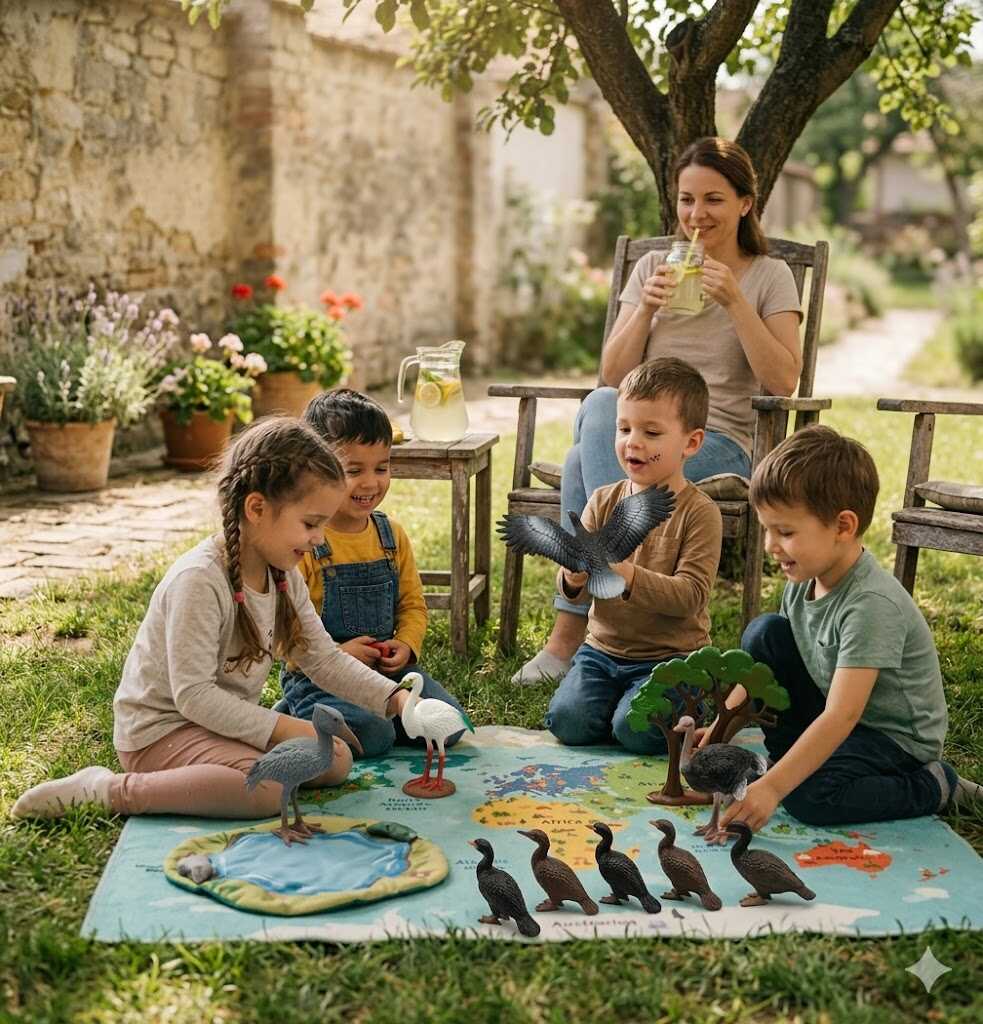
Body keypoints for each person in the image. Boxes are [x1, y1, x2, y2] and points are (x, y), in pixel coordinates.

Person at [12, 417, 412, 821]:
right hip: (160, 735)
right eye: (311, 523)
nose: (320, 539)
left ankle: (227, 765)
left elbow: (323, 659)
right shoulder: (200, 579)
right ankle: (112, 791)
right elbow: (193, 696)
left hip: (216, 725)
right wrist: (282, 728)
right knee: (265, 790)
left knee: (334, 759)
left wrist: (397, 699)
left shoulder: (282, 572)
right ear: (256, 507)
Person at [515, 136, 803, 685]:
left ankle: (572, 637)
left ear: (746, 203)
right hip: (640, 441)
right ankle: (620, 606)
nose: (698, 213)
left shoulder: (769, 275)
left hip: (714, 445)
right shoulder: (653, 266)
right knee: (600, 411)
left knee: (582, 463)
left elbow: (783, 379)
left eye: (714, 199)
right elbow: (612, 375)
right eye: (687, 199)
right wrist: (645, 306)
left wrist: (735, 302)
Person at [710, 424, 982, 831]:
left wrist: (774, 788)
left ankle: (934, 784)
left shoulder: (871, 604)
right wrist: (718, 729)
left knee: (808, 797)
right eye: (768, 529)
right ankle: (790, 765)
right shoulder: (802, 581)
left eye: (785, 532)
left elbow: (842, 716)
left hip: (892, 739)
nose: (770, 545)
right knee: (763, 633)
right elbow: (762, 673)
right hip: (834, 710)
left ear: (843, 526)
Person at [543, 357, 722, 753]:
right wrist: (572, 578)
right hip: (601, 652)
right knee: (566, 722)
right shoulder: (602, 501)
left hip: (671, 658)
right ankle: (626, 703)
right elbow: (578, 587)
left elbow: (691, 597)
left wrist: (626, 574)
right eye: (623, 428)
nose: (632, 442)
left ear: (691, 443)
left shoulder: (700, 513)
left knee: (634, 731)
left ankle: (686, 701)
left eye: (651, 432)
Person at [279, 389, 465, 756]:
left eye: (381, 467)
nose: (370, 483)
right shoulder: (307, 543)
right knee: (374, 736)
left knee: (451, 725)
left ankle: (377, 718)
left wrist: (407, 645)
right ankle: (293, 717)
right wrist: (339, 653)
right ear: (314, 469)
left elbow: (413, 604)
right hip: (319, 679)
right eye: (353, 470)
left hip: (387, 674)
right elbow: (286, 630)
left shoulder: (390, 536)